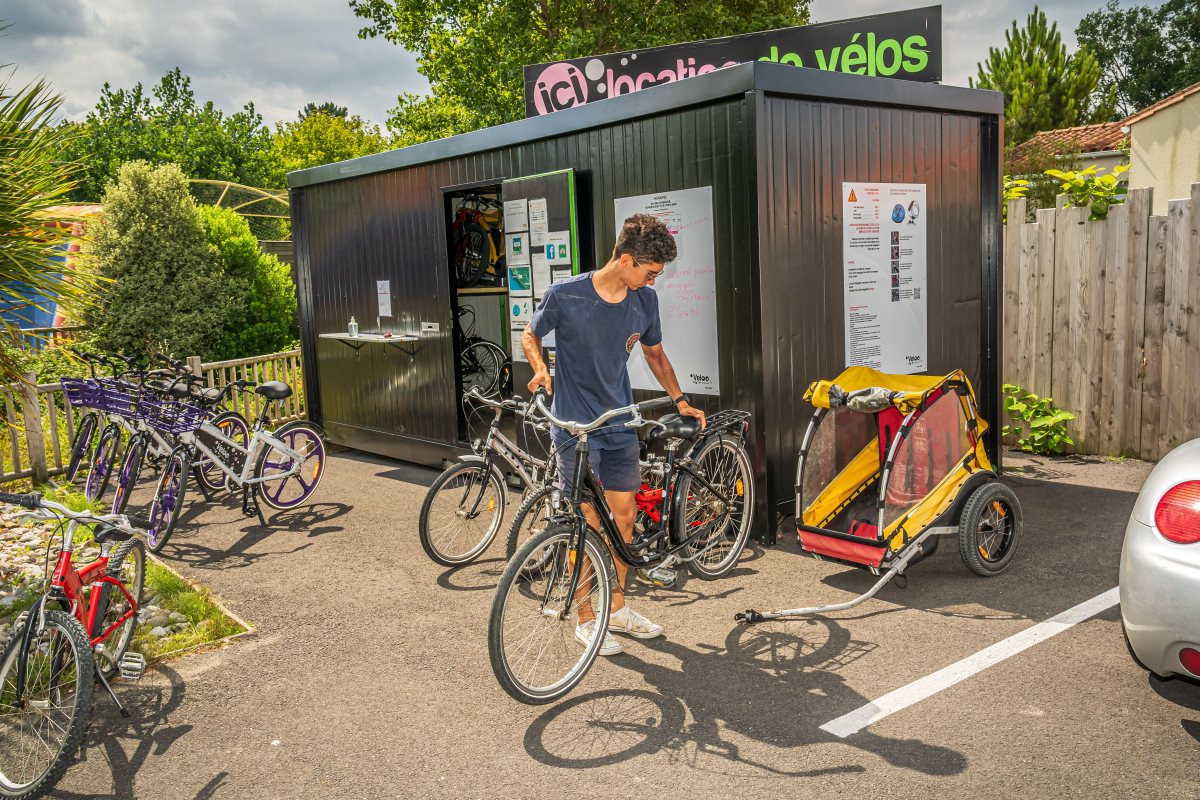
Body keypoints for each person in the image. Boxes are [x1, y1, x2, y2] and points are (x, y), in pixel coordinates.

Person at [522, 213, 705, 656]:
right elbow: (530, 335)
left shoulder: (644, 301)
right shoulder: (566, 295)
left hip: (619, 423)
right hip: (574, 427)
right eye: (650, 272)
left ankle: (617, 609)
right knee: (585, 529)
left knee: (623, 520)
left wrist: (680, 400)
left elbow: (656, 355)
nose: (654, 281)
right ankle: (587, 619)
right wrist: (542, 369)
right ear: (626, 259)